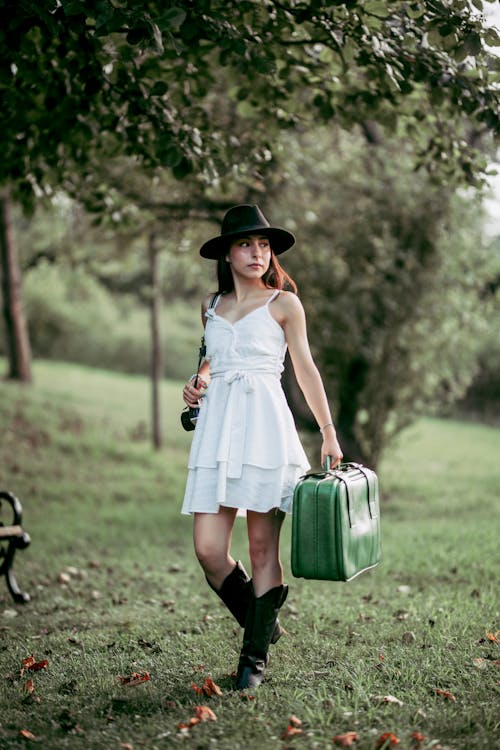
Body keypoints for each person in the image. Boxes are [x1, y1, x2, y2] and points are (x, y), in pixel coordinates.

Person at [181, 204, 343, 690]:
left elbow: (305, 369)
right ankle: (263, 619)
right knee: (209, 549)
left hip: (265, 428)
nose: (257, 253)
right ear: (227, 254)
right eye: (246, 245)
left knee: (260, 546)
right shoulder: (212, 305)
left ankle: (252, 663)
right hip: (218, 432)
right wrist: (199, 379)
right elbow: (216, 355)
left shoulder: (284, 304)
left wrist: (329, 430)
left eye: (264, 246)